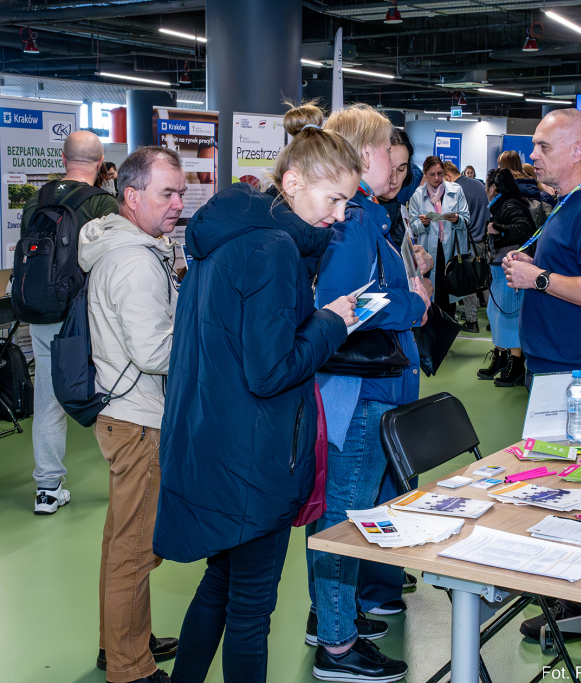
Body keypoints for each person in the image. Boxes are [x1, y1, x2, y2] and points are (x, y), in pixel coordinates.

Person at [154, 103, 360, 683]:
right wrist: (331, 322)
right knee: (251, 613)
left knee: (219, 586)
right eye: (334, 200)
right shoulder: (273, 251)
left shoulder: (232, 236)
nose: (340, 215)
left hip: (217, 445)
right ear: (293, 183)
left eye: (348, 203)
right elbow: (271, 370)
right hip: (254, 459)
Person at [308, 103, 429, 683]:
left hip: (359, 389)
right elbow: (344, 303)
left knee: (345, 513)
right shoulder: (354, 221)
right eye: (385, 150)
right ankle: (335, 644)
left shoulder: (366, 218)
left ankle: (333, 621)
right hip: (356, 392)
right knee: (343, 519)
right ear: (359, 155)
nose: (393, 161)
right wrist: (410, 303)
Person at [79, 146, 184, 683]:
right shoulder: (134, 261)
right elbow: (154, 352)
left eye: (181, 193)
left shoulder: (129, 250)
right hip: (139, 418)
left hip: (125, 413)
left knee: (123, 541)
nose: (178, 204)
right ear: (133, 196)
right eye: (168, 193)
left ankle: (121, 641)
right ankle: (129, 667)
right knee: (135, 549)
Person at [22, 130, 118, 514]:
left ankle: (46, 488)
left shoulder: (36, 200)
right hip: (87, 316)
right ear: (99, 164)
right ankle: (123, 472)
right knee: (108, 391)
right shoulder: (102, 203)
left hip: (43, 312)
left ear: (63, 159)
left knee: (48, 397)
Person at [502, 108, 581, 379]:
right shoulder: (569, 200)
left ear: (577, 151)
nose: (533, 154)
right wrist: (533, 265)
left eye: (543, 147)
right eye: (534, 145)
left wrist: (537, 277)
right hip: (551, 359)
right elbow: (570, 266)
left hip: (573, 369)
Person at [480, 168, 536, 387]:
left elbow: (524, 229)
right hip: (503, 266)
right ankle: (504, 359)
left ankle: (516, 365)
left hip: (510, 266)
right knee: (499, 314)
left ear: (493, 187)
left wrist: (498, 229)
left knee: (510, 315)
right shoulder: (506, 203)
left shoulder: (509, 204)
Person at [408, 155, 470, 317]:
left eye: (440, 173)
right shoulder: (417, 196)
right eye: (432, 174)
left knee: (449, 296)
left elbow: (467, 219)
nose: (437, 178)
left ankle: (448, 330)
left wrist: (457, 219)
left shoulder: (456, 191)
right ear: (425, 174)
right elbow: (413, 227)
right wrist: (423, 223)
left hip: (451, 252)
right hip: (429, 253)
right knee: (431, 295)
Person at [445, 160, 490, 333]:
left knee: (467, 281)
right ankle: (492, 319)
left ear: (448, 176)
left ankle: (472, 321)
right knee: (484, 281)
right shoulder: (478, 185)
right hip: (484, 240)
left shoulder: (456, 190)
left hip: (467, 241)